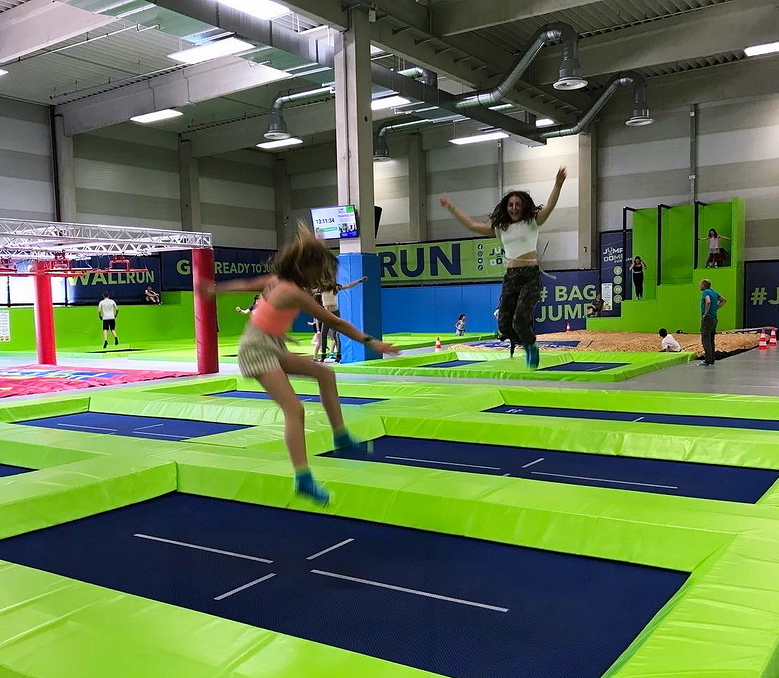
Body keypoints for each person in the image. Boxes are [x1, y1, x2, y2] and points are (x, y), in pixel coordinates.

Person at [199, 223, 399, 504]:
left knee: (325, 374)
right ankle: (303, 478)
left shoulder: (276, 281)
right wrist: (372, 342)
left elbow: (243, 285)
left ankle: (340, 435)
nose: (321, 278)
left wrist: (214, 290)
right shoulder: (292, 292)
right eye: (318, 271)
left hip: (271, 344)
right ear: (305, 268)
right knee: (295, 409)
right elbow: (334, 321)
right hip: (258, 349)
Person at [440, 166, 566, 368]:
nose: (514, 208)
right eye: (510, 205)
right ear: (506, 207)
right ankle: (520, 341)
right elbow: (472, 225)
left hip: (530, 276)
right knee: (504, 325)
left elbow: (549, 206)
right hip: (511, 277)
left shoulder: (532, 222)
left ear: (523, 207)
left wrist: (558, 185)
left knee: (520, 318)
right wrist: (451, 207)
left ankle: (531, 346)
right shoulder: (501, 228)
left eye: (517, 204)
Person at [316, 275, 367, 363]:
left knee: (336, 334)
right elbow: (311, 290)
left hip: (334, 312)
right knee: (324, 333)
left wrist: (359, 281)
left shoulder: (335, 288)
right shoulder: (321, 289)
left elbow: (348, 286)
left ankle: (339, 355)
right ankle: (323, 354)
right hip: (326, 313)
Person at [699, 279, 726, 366]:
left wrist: (705, 313)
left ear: (704, 285)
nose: (699, 286)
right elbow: (723, 300)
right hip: (714, 318)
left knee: (705, 340)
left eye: (701, 284)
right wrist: (715, 308)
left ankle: (708, 360)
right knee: (711, 339)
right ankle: (712, 359)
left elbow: (708, 301)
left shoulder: (705, 292)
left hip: (708, 319)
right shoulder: (714, 292)